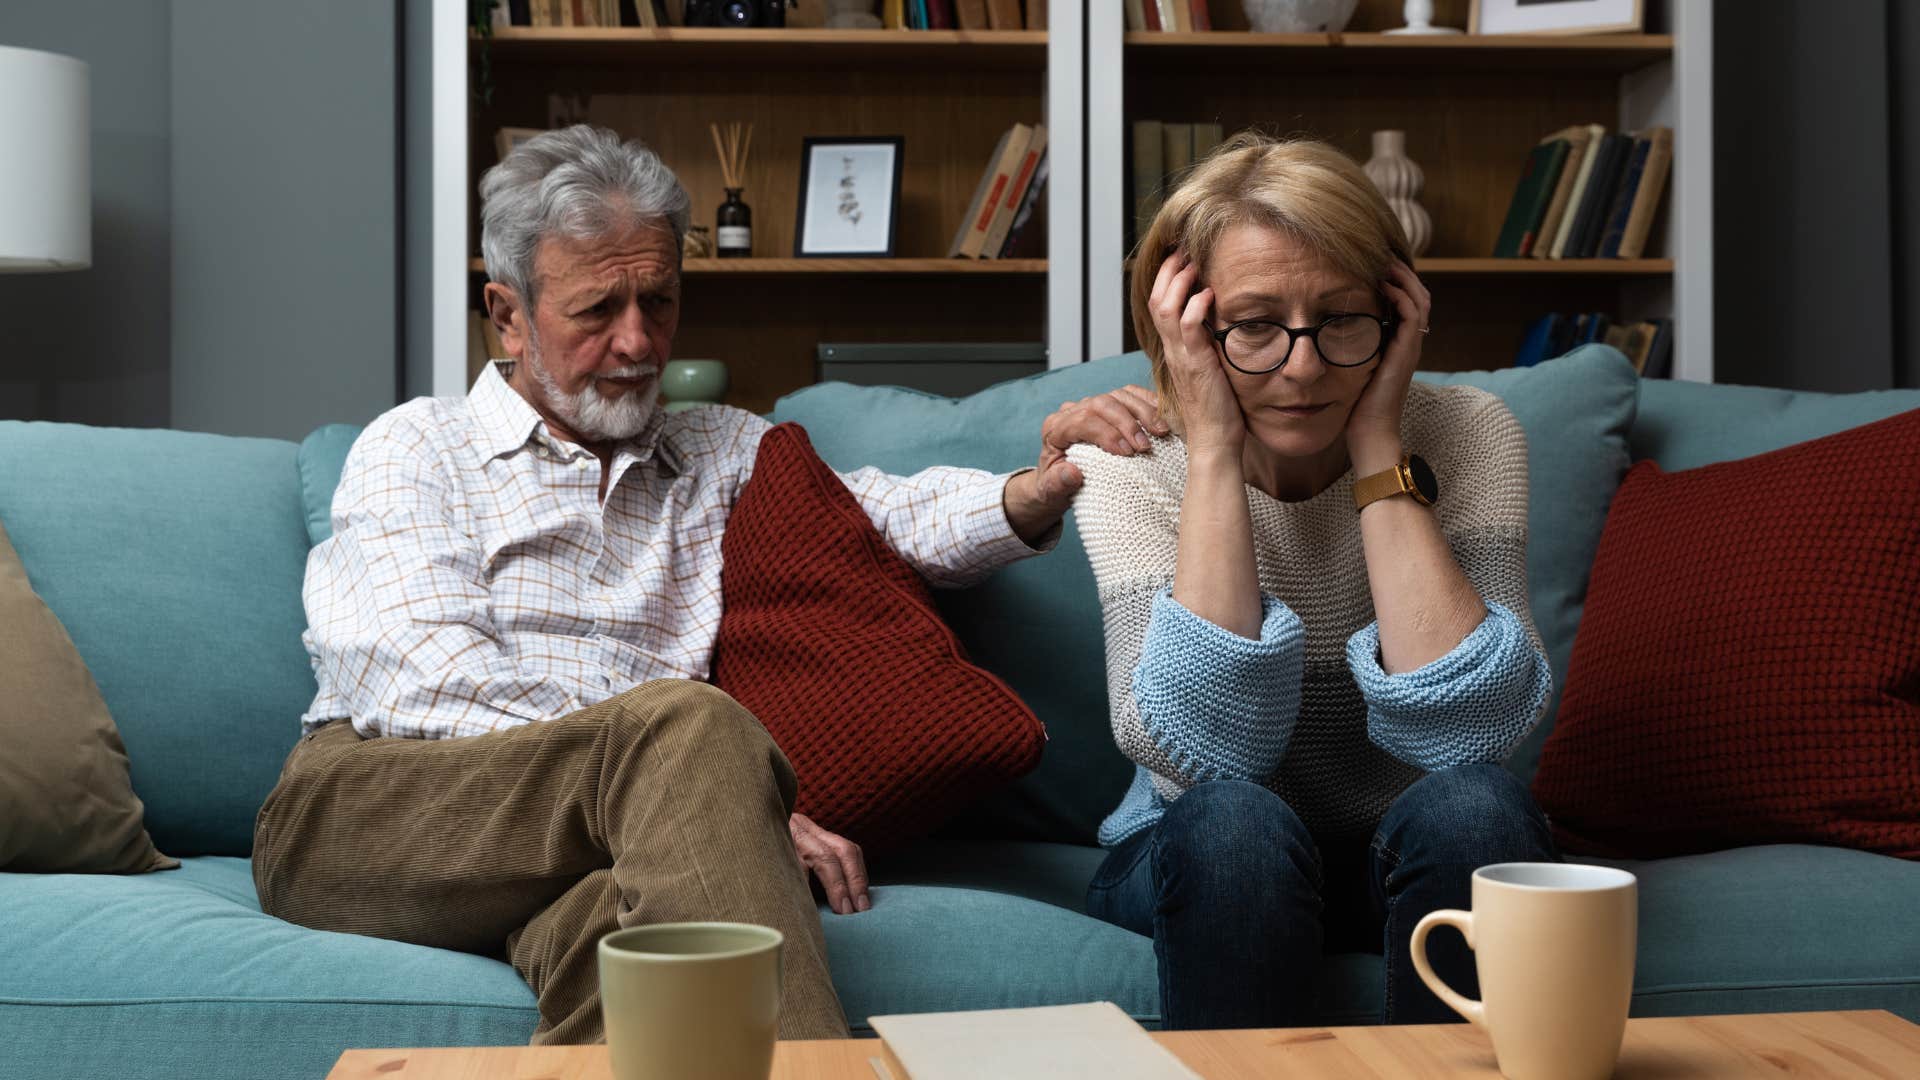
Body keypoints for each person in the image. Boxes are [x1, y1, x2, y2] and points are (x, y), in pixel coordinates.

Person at [250, 125, 1157, 1045]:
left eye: (660, 301)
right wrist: (721, 796)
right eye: (598, 309)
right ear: (509, 314)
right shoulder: (418, 446)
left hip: (607, 838)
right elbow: (424, 682)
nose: (639, 341)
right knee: (692, 724)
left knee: (645, 955)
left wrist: (1037, 489)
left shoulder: (717, 448)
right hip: (378, 805)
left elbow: (887, 517)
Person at [1065, 133, 1560, 1030]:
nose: (1303, 367)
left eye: (1342, 319)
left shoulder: (1473, 433)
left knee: (1479, 807)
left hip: (1402, 850)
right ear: (1184, 324)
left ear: (1395, 314)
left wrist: (1378, 444)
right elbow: (1199, 754)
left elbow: (1473, 732)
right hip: (1198, 852)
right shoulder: (1127, 463)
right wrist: (1212, 451)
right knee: (1233, 824)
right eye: (1254, 324)